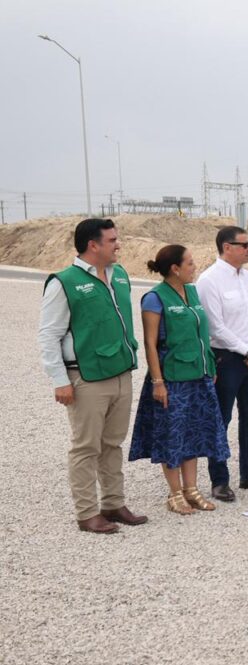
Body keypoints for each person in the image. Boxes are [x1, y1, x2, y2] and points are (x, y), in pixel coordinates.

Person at [37, 218, 148, 534]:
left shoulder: (120, 274)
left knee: (112, 444)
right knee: (86, 447)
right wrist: (60, 380)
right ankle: (87, 513)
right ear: (93, 245)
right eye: (112, 240)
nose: (118, 245)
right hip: (85, 377)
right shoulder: (64, 282)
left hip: (121, 373)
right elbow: (49, 335)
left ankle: (113, 503)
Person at [128, 245, 230, 514]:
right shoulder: (155, 298)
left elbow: (201, 333)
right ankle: (175, 494)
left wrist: (209, 364)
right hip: (172, 379)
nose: (194, 267)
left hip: (198, 376)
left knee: (193, 433)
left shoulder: (192, 292)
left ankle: (191, 489)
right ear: (175, 268)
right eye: (190, 263)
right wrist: (158, 382)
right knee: (171, 436)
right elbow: (150, 344)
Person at [196, 226, 248, 500]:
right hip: (227, 359)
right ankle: (219, 480)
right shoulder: (209, 280)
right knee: (221, 419)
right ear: (227, 247)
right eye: (244, 245)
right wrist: (247, 351)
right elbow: (215, 326)